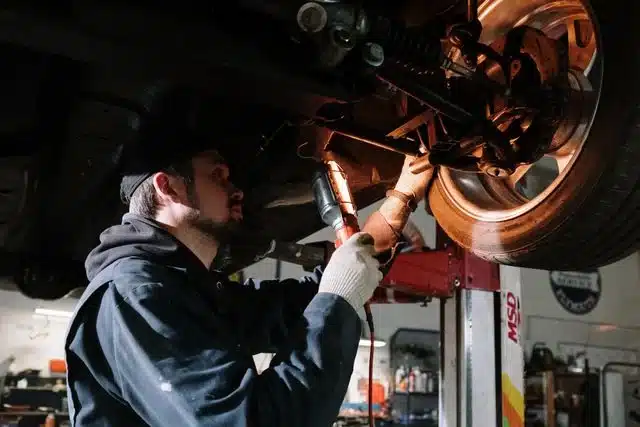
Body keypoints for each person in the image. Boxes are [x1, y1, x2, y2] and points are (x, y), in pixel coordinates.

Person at [64, 87, 434, 427]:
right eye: (218, 175)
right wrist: (339, 298)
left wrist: (397, 207)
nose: (237, 188)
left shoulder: (183, 289)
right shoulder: (134, 295)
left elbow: (293, 312)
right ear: (169, 187)